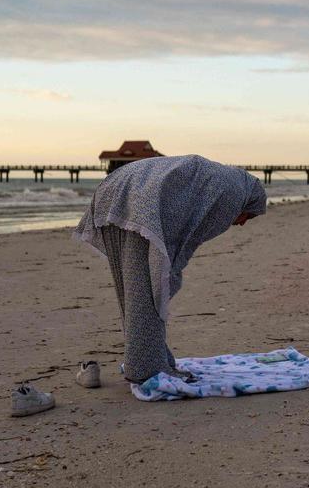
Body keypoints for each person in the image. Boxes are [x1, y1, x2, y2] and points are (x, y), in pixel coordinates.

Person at [74, 155, 268, 384]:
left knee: (137, 289)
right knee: (148, 288)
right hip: (141, 203)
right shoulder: (233, 195)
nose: (243, 223)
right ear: (249, 202)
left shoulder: (228, 181)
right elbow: (188, 239)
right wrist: (170, 275)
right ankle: (146, 369)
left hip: (115, 190)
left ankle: (148, 357)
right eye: (250, 215)